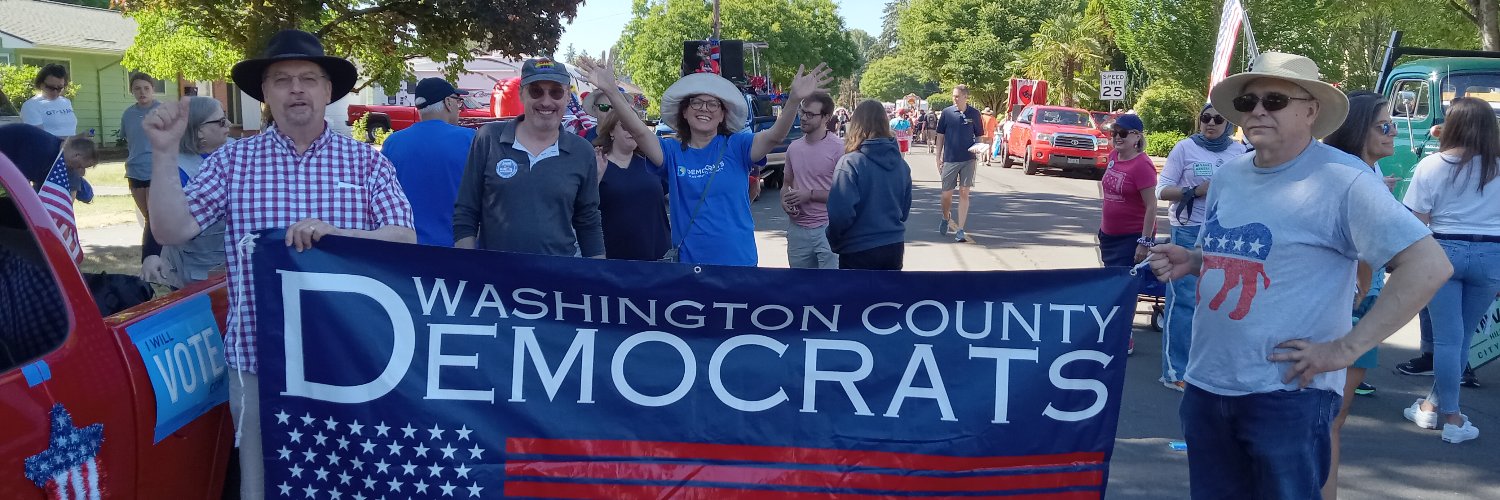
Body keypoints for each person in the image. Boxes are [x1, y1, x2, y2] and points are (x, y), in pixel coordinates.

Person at [1147, 52, 1450, 499]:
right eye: (1249, 101)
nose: (1258, 111)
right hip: (1207, 384)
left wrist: (1346, 349)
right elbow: (1250, 253)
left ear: (1311, 111)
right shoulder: (1229, 176)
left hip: (1287, 395)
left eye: (1274, 99)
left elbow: (1429, 265)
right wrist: (1193, 259)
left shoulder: (1343, 179)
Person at [141, 30, 416, 500]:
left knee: (350, 480)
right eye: (282, 80)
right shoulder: (233, 161)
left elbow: (404, 238)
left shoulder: (366, 163)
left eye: (309, 78)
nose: (296, 89)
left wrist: (337, 235)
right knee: (263, 483)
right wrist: (164, 154)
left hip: (348, 361)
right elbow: (172, 230)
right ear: (264, 93)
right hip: (257, 357)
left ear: (329, 91)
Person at [579, 52, 832, 266]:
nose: (704, 109)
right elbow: (639, 131)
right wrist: (611, 91)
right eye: (697, 103)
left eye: (713, 105)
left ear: (723, 115)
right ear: (684, 112)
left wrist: (794, 99)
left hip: (738, 266)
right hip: (689, 270)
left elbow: (775, 136)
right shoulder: (671, 152)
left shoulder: (737, 145)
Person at [1401, 96, 1500, 445]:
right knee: (1462, 339)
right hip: (1491, 254)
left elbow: (1415, 221)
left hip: (1442, 251)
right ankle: (1431, 406)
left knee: (1447, 339)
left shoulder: (1432, 165)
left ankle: (1451, 417)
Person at [1317, 90, 1400, 497]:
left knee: (1334, 416)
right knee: (1331, 416)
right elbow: (1368, 248)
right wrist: (1363, 287)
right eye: (1384, 125)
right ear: (1357, 129)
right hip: (1350, 303)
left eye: (1394, 124)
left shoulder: (1361, 172)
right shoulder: (1354, 176)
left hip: (1356, 301)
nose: (1394, 132)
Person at [453, 57, 604, 258]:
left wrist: (597, 278)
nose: (546, 101)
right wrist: (466, 268)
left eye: (556, 92)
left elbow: (588, 221)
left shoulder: (582, 151)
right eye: (536, 91)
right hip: (495, 279)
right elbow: (466, 212)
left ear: (568, 97)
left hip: (557, 280)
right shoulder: (488, 139)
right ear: (521, 94)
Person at [1155, 104, 1247, 390]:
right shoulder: (1185, 148)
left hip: (1225, 234)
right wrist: (1195, 191)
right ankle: (1175, 371)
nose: (1210, 123)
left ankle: (1207, 368)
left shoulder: (1240, 152)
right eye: (1205, 118)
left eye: (1218, 119)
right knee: (1184, 302)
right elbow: (1161, 190)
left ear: (1228, 124)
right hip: (1188, 229)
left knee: (1221, 300)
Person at [139, 96, 230, 289]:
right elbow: (159, 216)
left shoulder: (236, 151)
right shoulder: (177, 168)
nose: (228, 124)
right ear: (199, 132)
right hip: (195, 271)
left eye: (227, 117)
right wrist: (151, 254)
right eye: (221, 121)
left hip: (232, 262)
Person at [381, 77, 476, 246]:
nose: (459, 107)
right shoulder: (471, 140)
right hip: (457, 251)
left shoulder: (392, 143)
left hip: (406, 251)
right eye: (458, 101)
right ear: (448, 102)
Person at [827, 100, 912, 270]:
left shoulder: (850, 163)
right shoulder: (901, 165)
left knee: (857, 297)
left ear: (856, 125)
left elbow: (840, 214)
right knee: (887, 297)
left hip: (857, 248)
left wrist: (834, 239)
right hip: (893, 246)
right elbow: (903, 212)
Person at [592, 111, 671, 260]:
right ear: (611, 131)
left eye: (636, 126)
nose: (632, 131)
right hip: (615, 259)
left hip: (659, 256)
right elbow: (582, 209)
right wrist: (595, 178)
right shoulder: (597, 164)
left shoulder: (653, 164)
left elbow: (677, 197)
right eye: (625, 126)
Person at [782, 91, 842, 269]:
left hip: (828, 228)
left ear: (826, 118)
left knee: (831, 288)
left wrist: (810, 195)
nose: (803, 118)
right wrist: (785, 201)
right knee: (800, 288)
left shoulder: (839, 149)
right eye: (802, 112)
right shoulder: (794, 148)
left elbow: (846, 195)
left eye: (810, 114)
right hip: (797, 230)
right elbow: (786, 184)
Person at [122, 73, 165, 270]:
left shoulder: (163, 111)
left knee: (155, 215)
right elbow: (128, 140)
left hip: (157, 169)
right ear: (132, 91)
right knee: (148, 217)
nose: (142, 92)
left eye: (146, 88)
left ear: (153, 89)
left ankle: (150, 259)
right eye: (137, 89)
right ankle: (156, 258)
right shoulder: (128, 114)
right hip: (134, 169)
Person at [936, 84, 984, 243]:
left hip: (968, 159)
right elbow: (940, 136)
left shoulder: (975, 114)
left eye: (957, 96)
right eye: (953, 96)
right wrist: (938, 156)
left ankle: (961, 229)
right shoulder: (947, 113)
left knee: (964, 192)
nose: (954, 99)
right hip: (950, 158)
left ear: (965, 97)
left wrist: (979, 148)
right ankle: (945, 217)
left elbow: (979, 136)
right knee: (946, 195)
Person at [21, 64, 77, 138]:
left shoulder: (66, 102)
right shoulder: (31, 105)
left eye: (60, 88)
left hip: (70, 148)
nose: (55, 92)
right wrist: (76, 139)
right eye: (50, 87)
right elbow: (38, 137)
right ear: (40, 84)